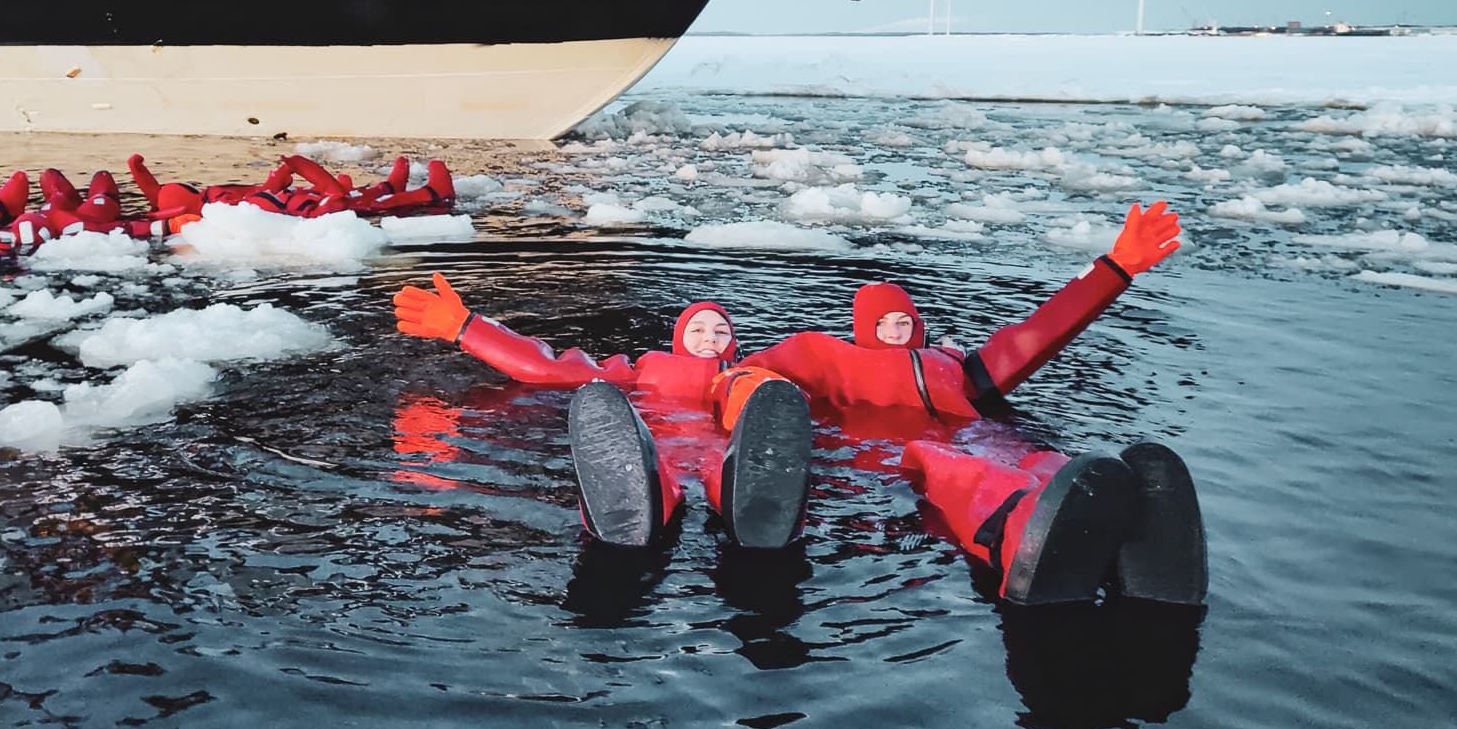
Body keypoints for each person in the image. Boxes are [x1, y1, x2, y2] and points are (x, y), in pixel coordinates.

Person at [714, 200, 1206, 605]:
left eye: (903, 322)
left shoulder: (955, 368)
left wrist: (1114, 269)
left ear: (919, 324)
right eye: (882, 324)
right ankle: (1020, 538)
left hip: (979, 438)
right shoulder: (823, 356)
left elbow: (1035, 336)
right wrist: (756, 410)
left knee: (1048, 466)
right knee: (956, 473)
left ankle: (1132, 538)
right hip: (903, 456)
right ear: (862, 330)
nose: (894, 331)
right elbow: (749, 380)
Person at [392, 276, 812, 549]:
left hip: (727, 451)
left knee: (761, 398)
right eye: (697, 330)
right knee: (646, 469)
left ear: (734, 342)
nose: (710, 338)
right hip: (659, 450)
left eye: (721, 331)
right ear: (677, 340)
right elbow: (554, 369)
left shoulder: (749, 374)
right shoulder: (647, 368)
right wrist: (467, 327)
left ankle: (761, 504)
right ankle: (631, 502)